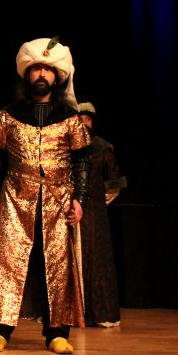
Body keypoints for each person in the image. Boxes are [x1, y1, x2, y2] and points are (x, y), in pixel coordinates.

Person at [0, 37, 92, 354]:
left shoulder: (69, 117)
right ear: (27, 74)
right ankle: (0, 331)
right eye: (36, 68)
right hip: (15, 197)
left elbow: (82, 161)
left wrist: (80, 199)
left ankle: (57, 333)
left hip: (57, 200)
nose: (41, 74)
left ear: (57, 76)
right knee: (7, 261)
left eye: (47, 70)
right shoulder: (8, 115)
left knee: (57, 265)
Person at [77, 102, 127, 327]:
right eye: (80, 119)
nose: (84, 123)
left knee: (96, 261)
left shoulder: (101, 148)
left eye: (87, 119)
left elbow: (114, 182)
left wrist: (97, 202)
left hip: (94, 215)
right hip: (67, 212)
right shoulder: (65, 148)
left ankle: (99, 314)